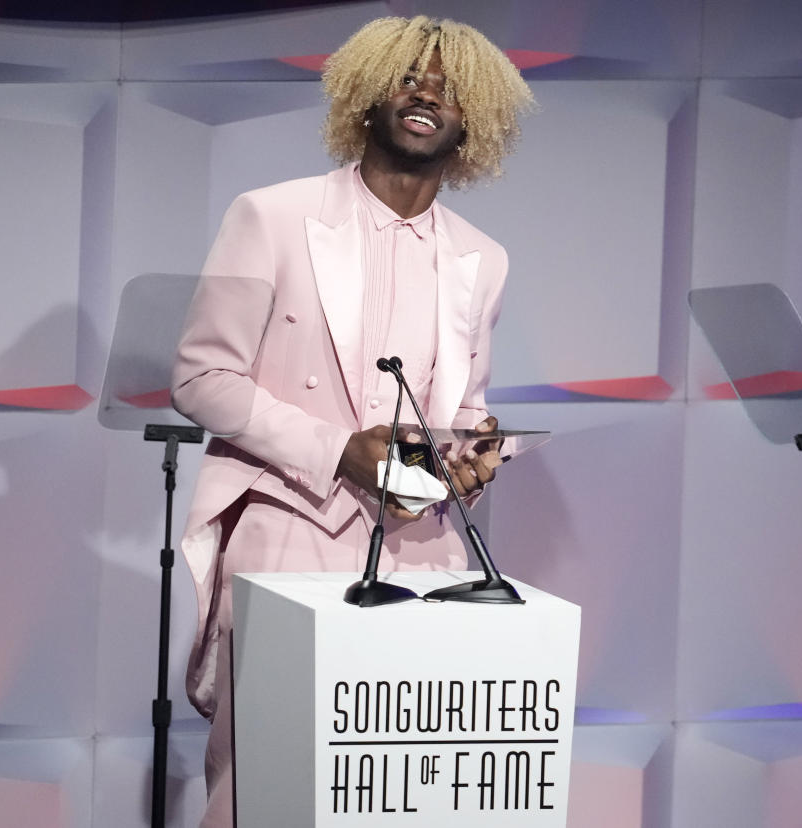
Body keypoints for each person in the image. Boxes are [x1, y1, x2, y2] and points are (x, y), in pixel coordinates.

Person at [170, 15, 534, 826]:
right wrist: (337, 451)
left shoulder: (484, 257)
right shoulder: (272, 216)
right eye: (407, 76)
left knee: (395, 793)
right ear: (368, 95)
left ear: (473, 120)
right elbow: (201, 378)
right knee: (261, 783)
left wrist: (472, 459)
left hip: (420, 546)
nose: (426, 92)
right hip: (290, 526)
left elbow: (464, 404)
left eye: (447, 86)